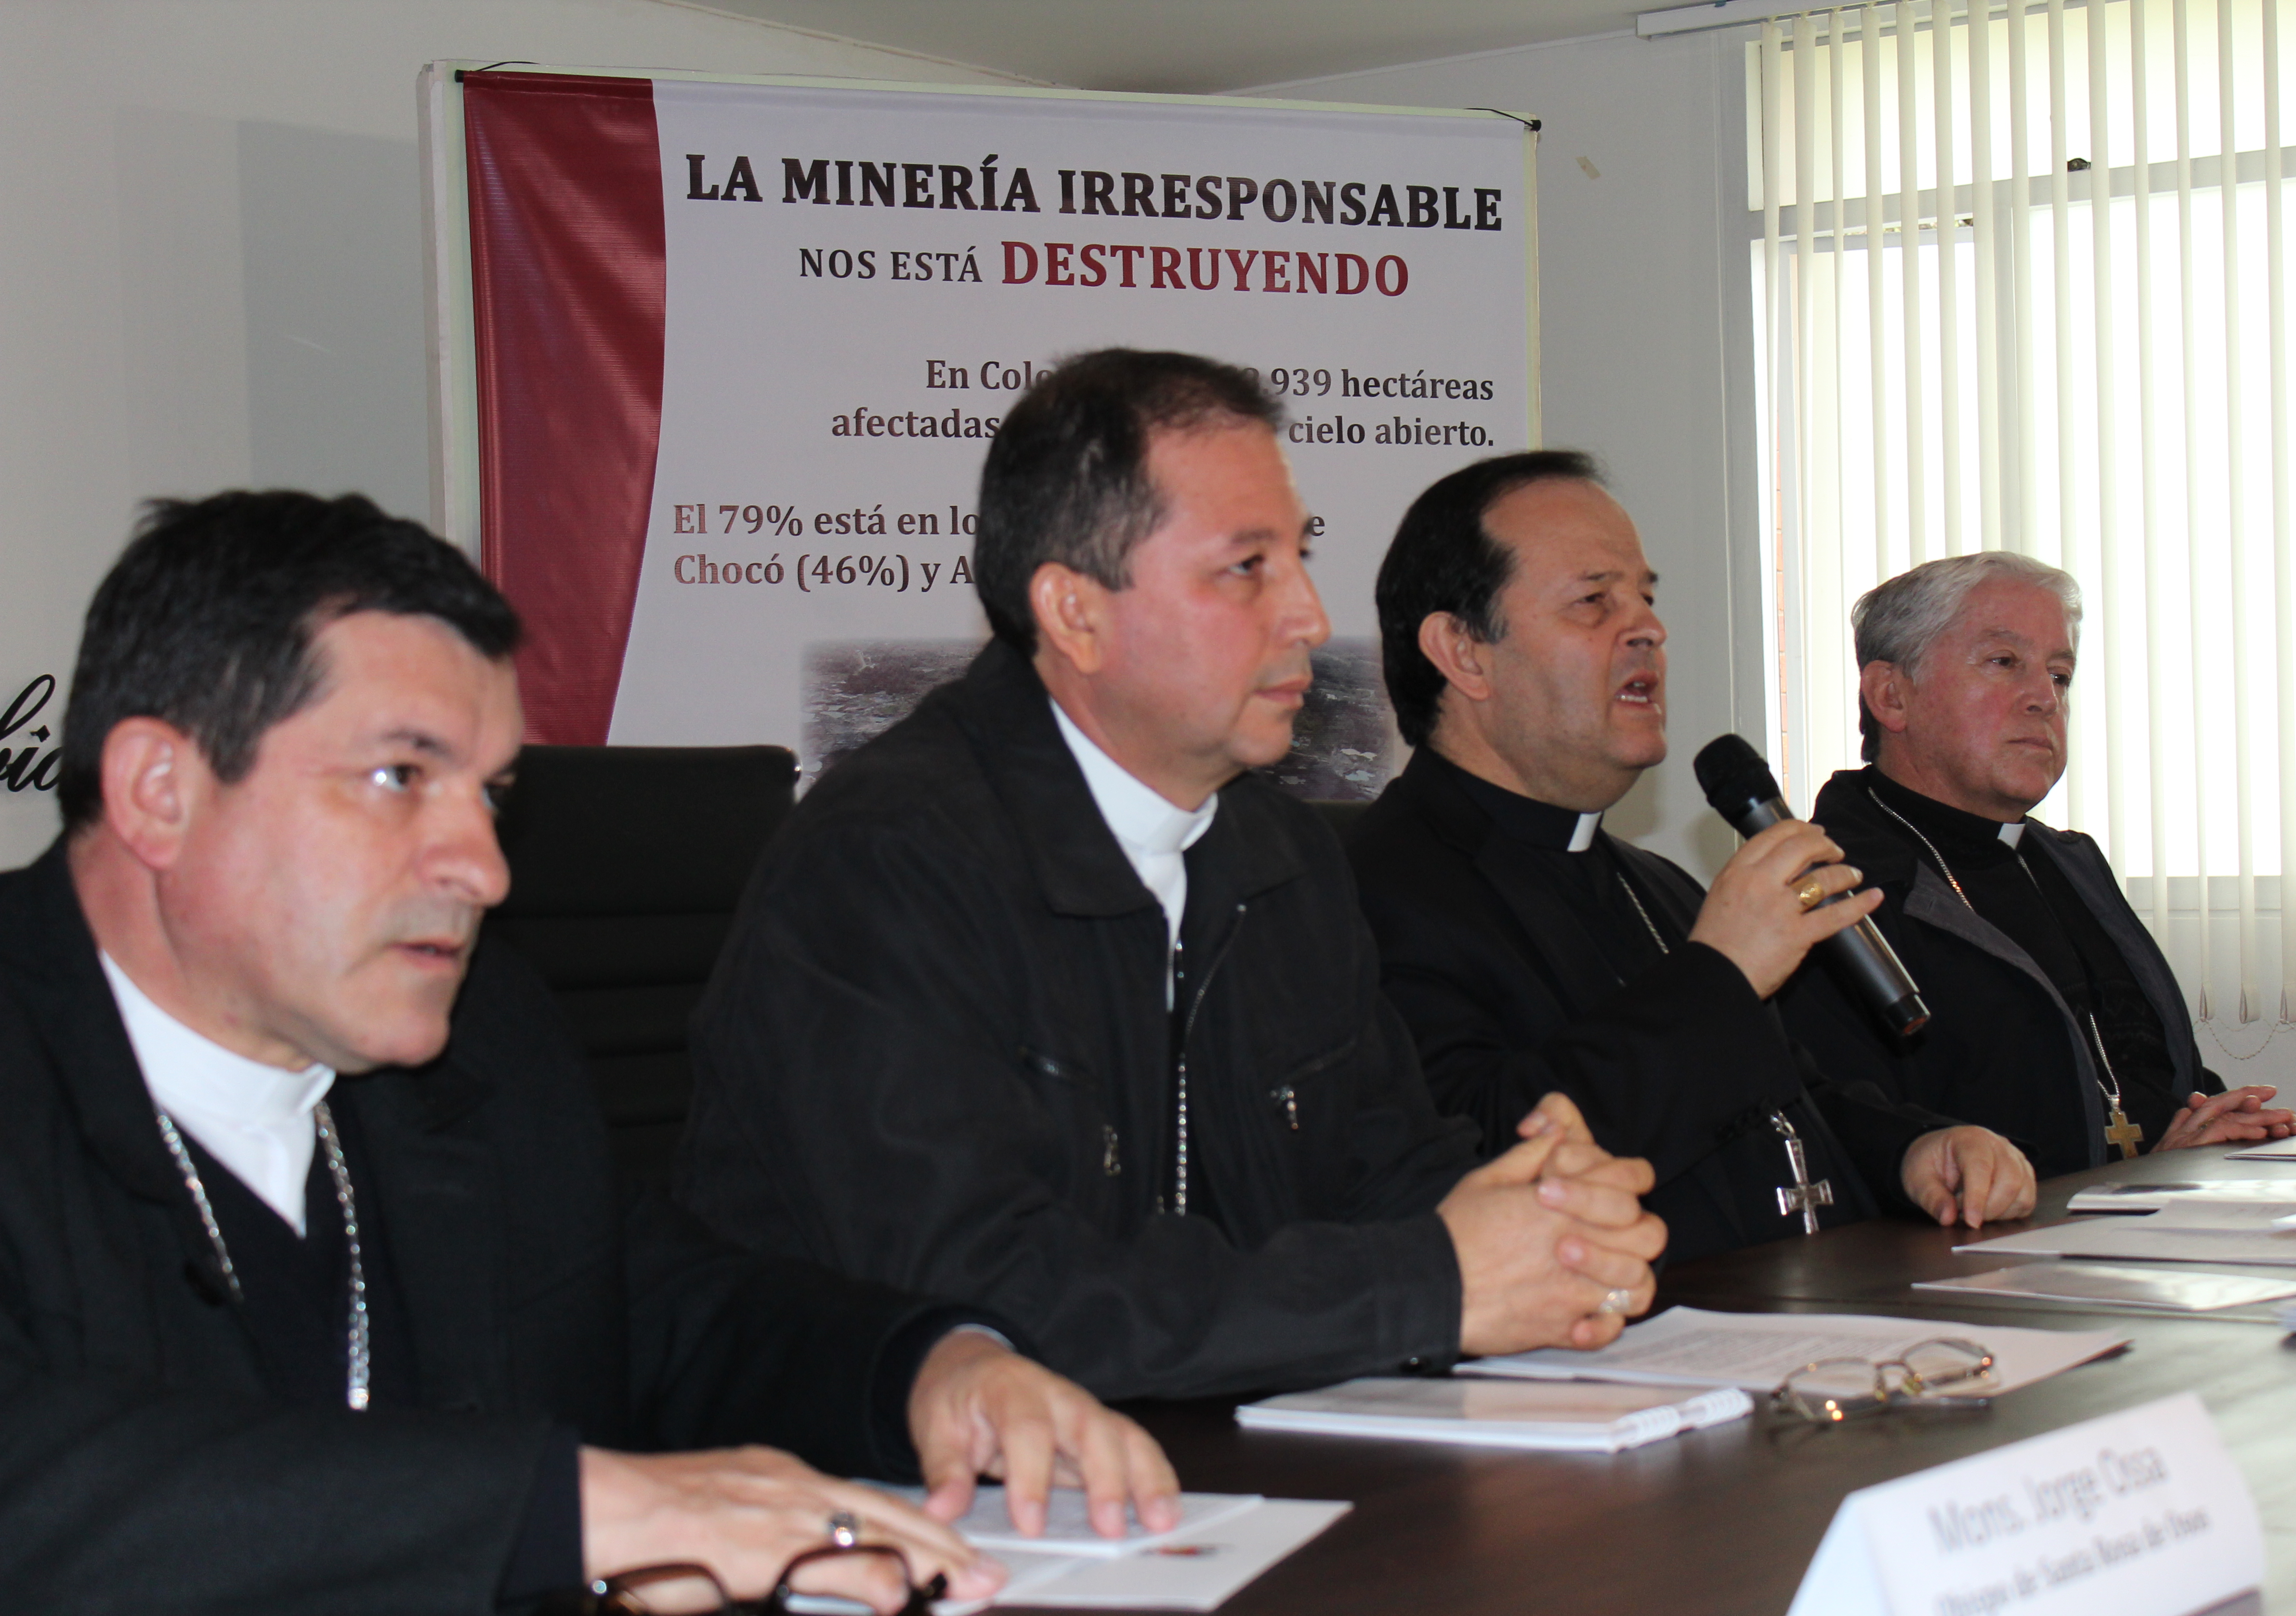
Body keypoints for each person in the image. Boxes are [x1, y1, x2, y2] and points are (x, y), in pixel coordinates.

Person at [0, 491, 1177, 1616]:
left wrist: (933, 1369)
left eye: (493, 796)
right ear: (161, 792)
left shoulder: (485, 1033)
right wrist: (572, 1513)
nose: (485, 869)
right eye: (401, 778)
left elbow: (661, 1313)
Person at [674, 350, 1666, 1402]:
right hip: (899, 1508)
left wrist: (1543, 1216)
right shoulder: (888, 864)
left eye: (1299, 559)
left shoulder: (1280, 857)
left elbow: (1387, 1177)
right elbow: (982, 1295)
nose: (1310, 618)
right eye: (1247, 569)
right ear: (1075, 613)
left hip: (1227, 1465)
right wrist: (1436, 1280)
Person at [1347, 453, 2034, 1263]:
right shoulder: (1359, 892)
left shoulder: (1655, 885)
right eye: (1594, 600)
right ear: (1463, 653)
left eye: (1646, 596)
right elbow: (1487, 1151)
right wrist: (1722, 973)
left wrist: (1914, 1149)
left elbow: (1783, 1095)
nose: (1648, 628)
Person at [1780, 551, 2296, 1177]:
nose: (2043, 700)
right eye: (2005, 664)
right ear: (1892, 696)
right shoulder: (1826, 889)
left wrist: (2213, 1121)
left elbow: (2145, 1074)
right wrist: (2125, 1180)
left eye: (2060, 676)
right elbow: (1855, 1134)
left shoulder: (2067, 863)